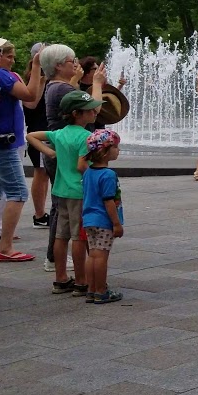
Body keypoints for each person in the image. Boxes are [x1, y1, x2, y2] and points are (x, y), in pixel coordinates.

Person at [27, 90, 102, 297]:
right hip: (79, 191)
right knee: (79, 237)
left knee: (61, 235)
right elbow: (82, 166)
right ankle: (81, 281)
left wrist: (49, 152)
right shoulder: (87, 137)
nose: (95, 112)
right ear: (77, 113)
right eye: (90, 109)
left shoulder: (60, 133)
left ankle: (60, 279)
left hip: (60, 190)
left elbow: (30, 135)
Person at [0, 39, 43, 261]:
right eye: (5, 54)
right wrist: (36, 66)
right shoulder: (0, 75)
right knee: (18, 193)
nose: (10, 59)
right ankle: (5, 248)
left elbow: (29, 101)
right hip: (3, 142)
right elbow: (31, 96)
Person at [38, 44, 101, 273]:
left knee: (60, 208)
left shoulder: (57, 87)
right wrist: (98, 83)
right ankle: (58, 260)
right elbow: (93, 108)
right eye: (71, 61)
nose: (76, 65)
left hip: (61, 150)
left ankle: (57, 264)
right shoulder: (61, 89)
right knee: (67, 216)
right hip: (69, 154)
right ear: (58, 66)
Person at [80, 129, 124, 304]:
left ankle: (91, 289)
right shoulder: (108, 175)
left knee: (92, 255)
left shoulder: (88, 172)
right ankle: (101, 290)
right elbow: (109, 201)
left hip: (89, 220)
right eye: (116, 147)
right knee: (101, 256)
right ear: (105, 151)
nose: (118, 150)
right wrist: (116, 223)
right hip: (104, 221)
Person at [23, 43, 51, 229]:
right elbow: (31, 103)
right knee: (41, 172)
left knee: (45, 173)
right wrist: (40, 74)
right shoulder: (35, 78)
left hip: (45, 130)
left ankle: (41, 213)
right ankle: (39, 214)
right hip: (38, 131)